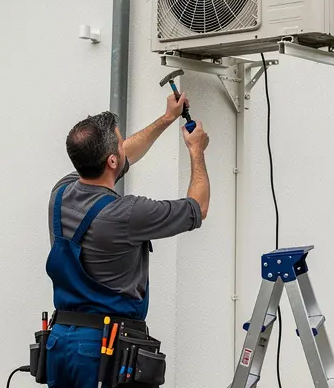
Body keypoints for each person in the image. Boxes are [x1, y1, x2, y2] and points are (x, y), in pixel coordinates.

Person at [44, 93, 210, 387]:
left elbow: (125, 155)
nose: (124, 148)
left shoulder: (61, 193)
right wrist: (196, 150)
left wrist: (167, 119)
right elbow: (198, 207)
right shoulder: (127, 214)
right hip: (102, 348)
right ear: (111, 160)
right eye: (119, 145)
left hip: (60, 342)